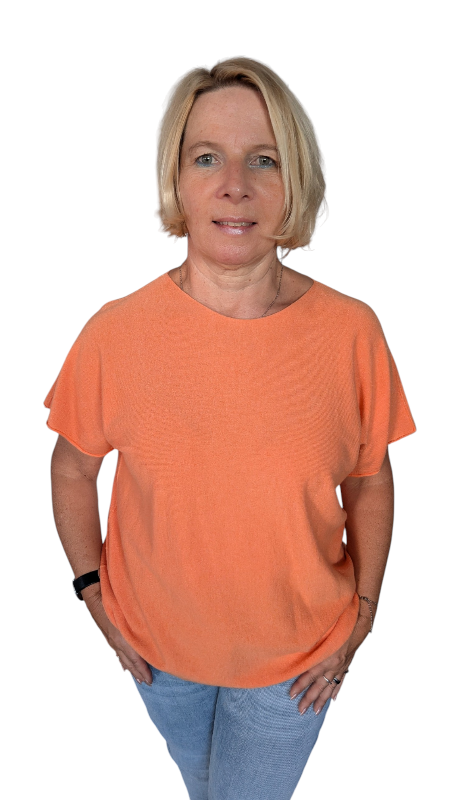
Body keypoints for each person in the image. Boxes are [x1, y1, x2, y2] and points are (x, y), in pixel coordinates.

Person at [44, 56, 417, 800]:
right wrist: (91, 592)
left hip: (298, 659)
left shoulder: (350, 332)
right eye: (207, 157)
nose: (235, 185)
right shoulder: (116, 333)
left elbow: (370, 478)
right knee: (205, 783)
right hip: (156, 651)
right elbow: (72, 466)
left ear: (294, 181)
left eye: (264, 160)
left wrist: (365, 614)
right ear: (177, 179)